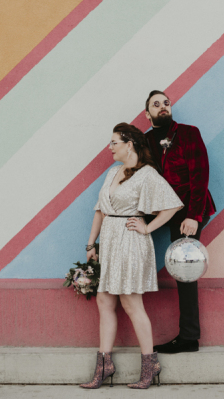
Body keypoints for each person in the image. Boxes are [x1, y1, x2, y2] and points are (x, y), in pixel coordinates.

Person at [81, 122, 183, 389]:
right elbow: (100, 210)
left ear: (129, 144)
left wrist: (147, 227)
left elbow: (172, 205)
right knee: (104, 300)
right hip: (109, 242)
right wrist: (91, 245)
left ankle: (150, 365)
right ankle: (104, 366)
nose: (110, 147)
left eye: (114, 142)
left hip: (130, 242)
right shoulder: (112, 172)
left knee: (131, 303)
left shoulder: (147, 174)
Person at [144, 90, 216, 354]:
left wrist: (194, 216)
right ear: (148, 114)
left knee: (184, 268)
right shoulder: (146, 140)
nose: (163, 106)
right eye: (156, 104)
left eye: (166, 103)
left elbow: (200, 175)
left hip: (190, 210)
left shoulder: (188, 133)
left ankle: (189, 337)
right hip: (164, 209)